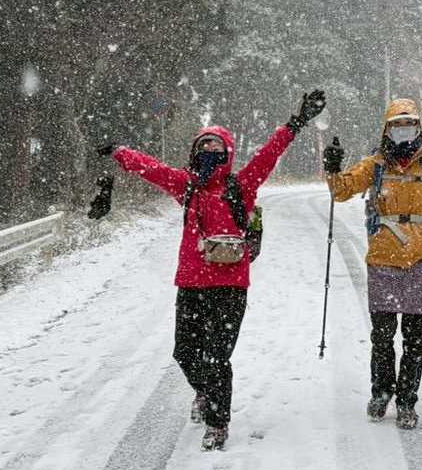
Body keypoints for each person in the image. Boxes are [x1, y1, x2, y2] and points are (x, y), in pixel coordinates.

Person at [96, 89, 326, 450]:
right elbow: (152, 169)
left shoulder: (242, 186)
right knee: (185, 353)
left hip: (230, 286)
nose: (209, 153)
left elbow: (269, 154)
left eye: (216, 148)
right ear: (194, 152)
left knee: (217, 356)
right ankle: (204, 392)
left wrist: (295, 123)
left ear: (228, 153)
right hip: (191, 284)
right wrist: (120, 153)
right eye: (203, 147)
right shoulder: (186, 186)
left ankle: (218, 424)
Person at [323, 98, 422, 428]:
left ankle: (407, 400)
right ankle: (381, 393)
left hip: (420, 259)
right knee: (382, 337)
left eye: (409, 125)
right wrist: (333, 168)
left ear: (418, 128)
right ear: (387, 129)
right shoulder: (376, 165)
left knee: (415, 338)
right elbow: (342, 191)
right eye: (397, 125)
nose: (403, 131)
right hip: (383, 259)